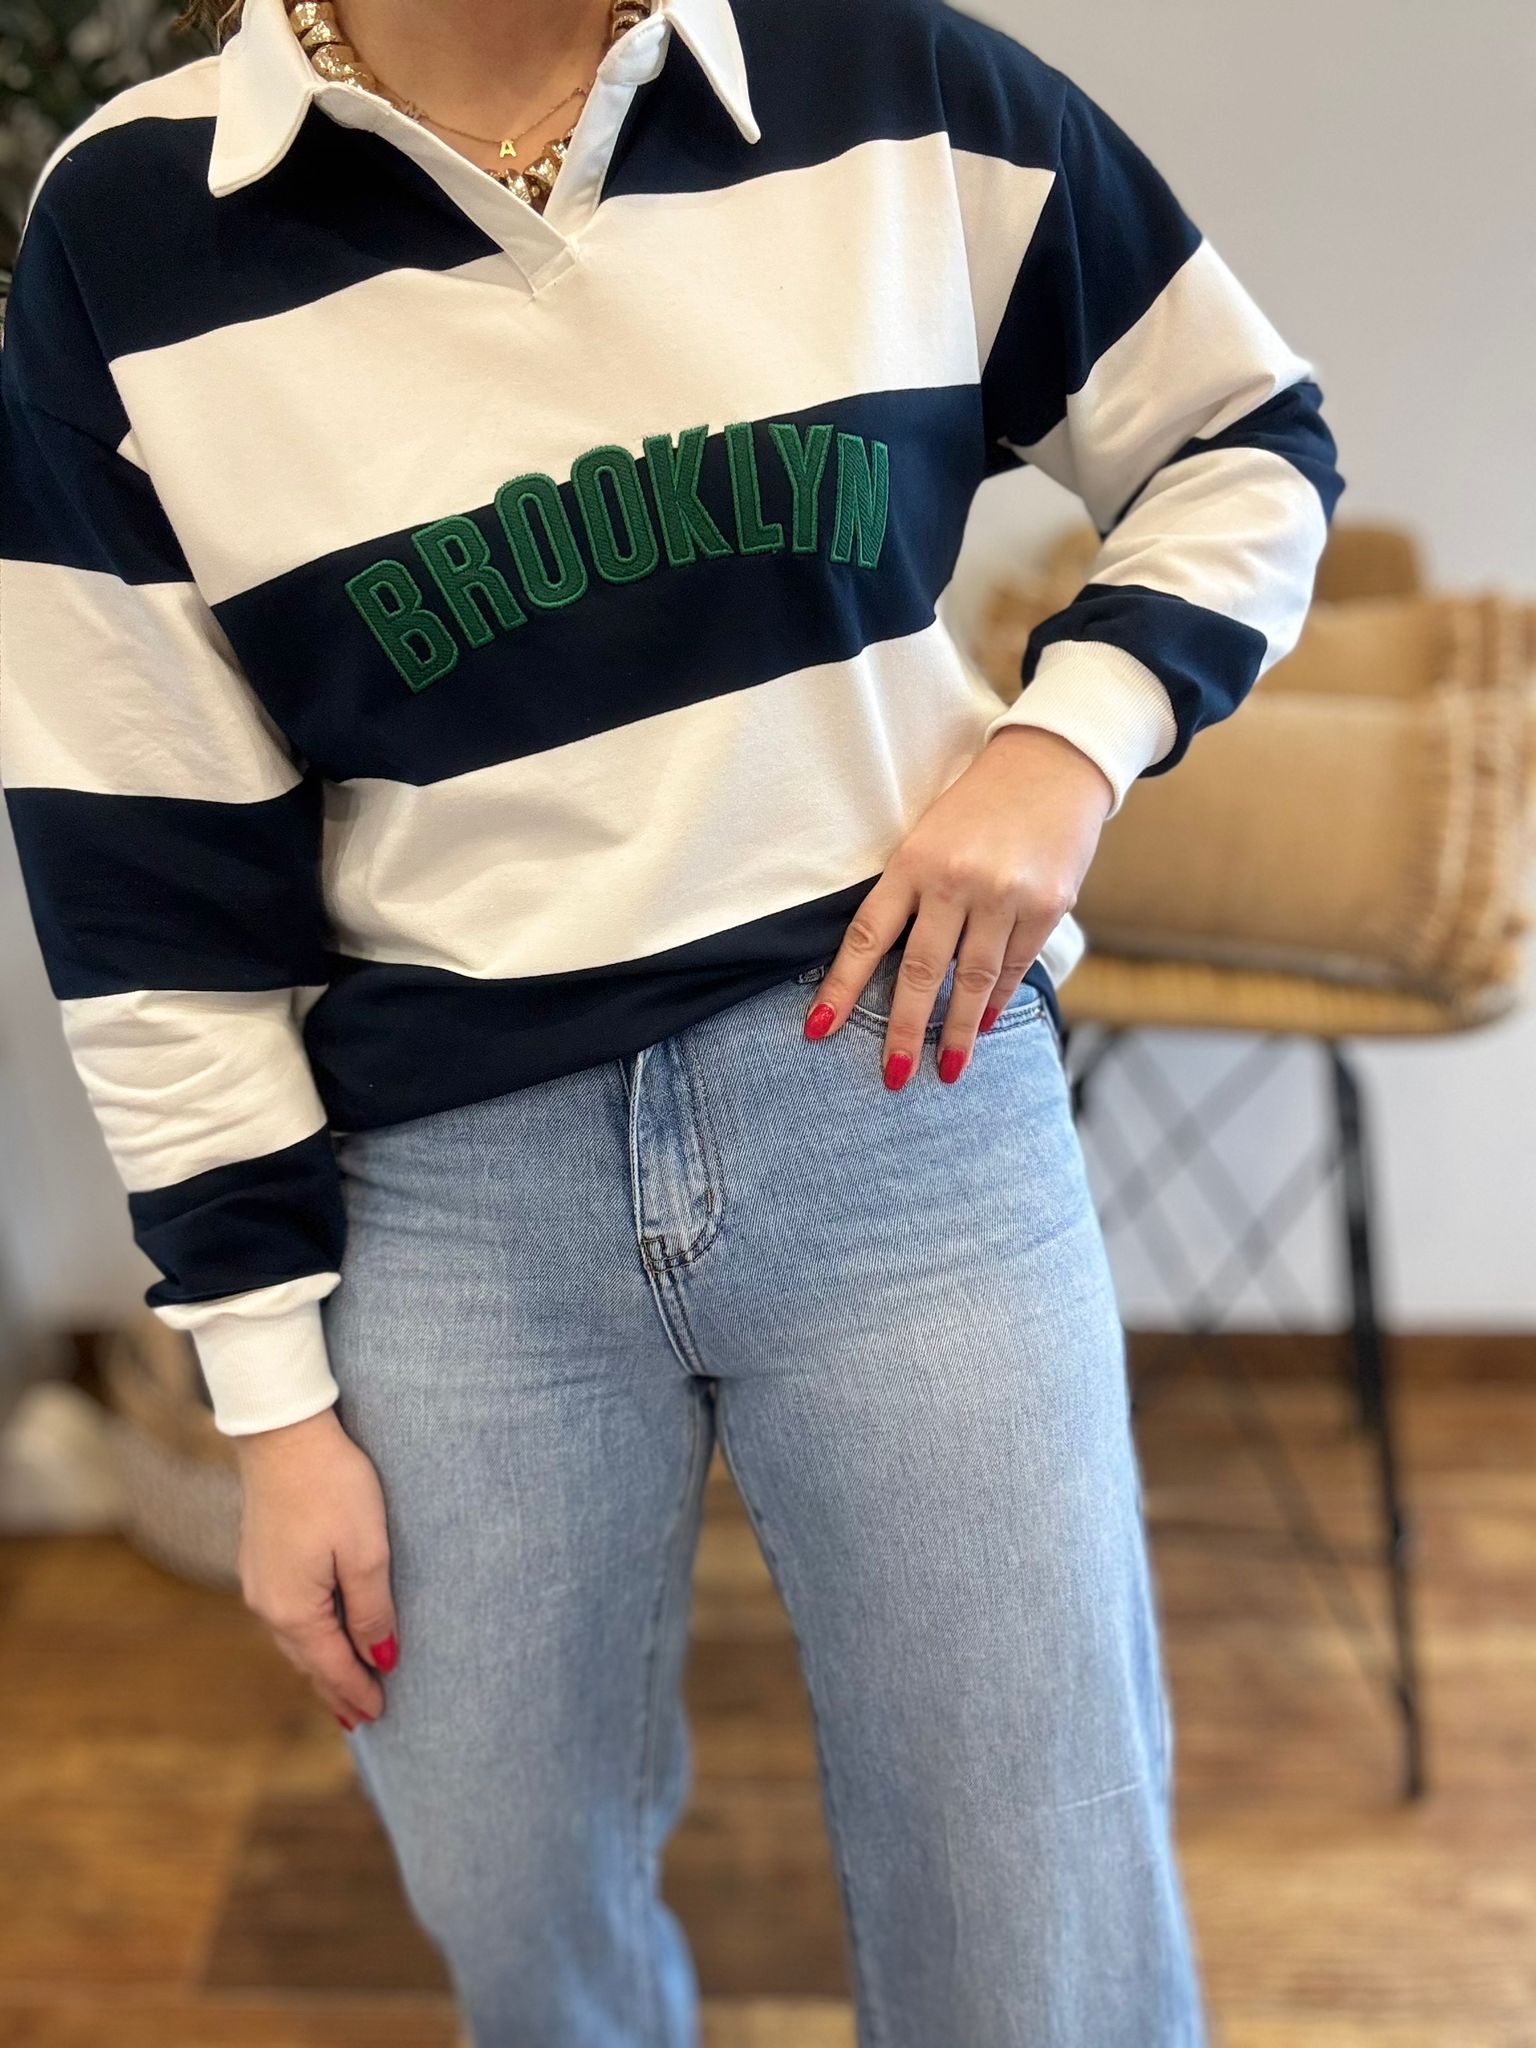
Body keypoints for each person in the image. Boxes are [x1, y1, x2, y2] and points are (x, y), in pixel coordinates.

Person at [0, 0, 1342, 2038]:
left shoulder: (888, 85)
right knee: (516, 1908)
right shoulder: (133, 228)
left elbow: (1242, 437)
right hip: (448, 1191)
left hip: (898, 1089)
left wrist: (1065, 748)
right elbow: (144, 871)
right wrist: (265, 1398)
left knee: (1038, 1909)